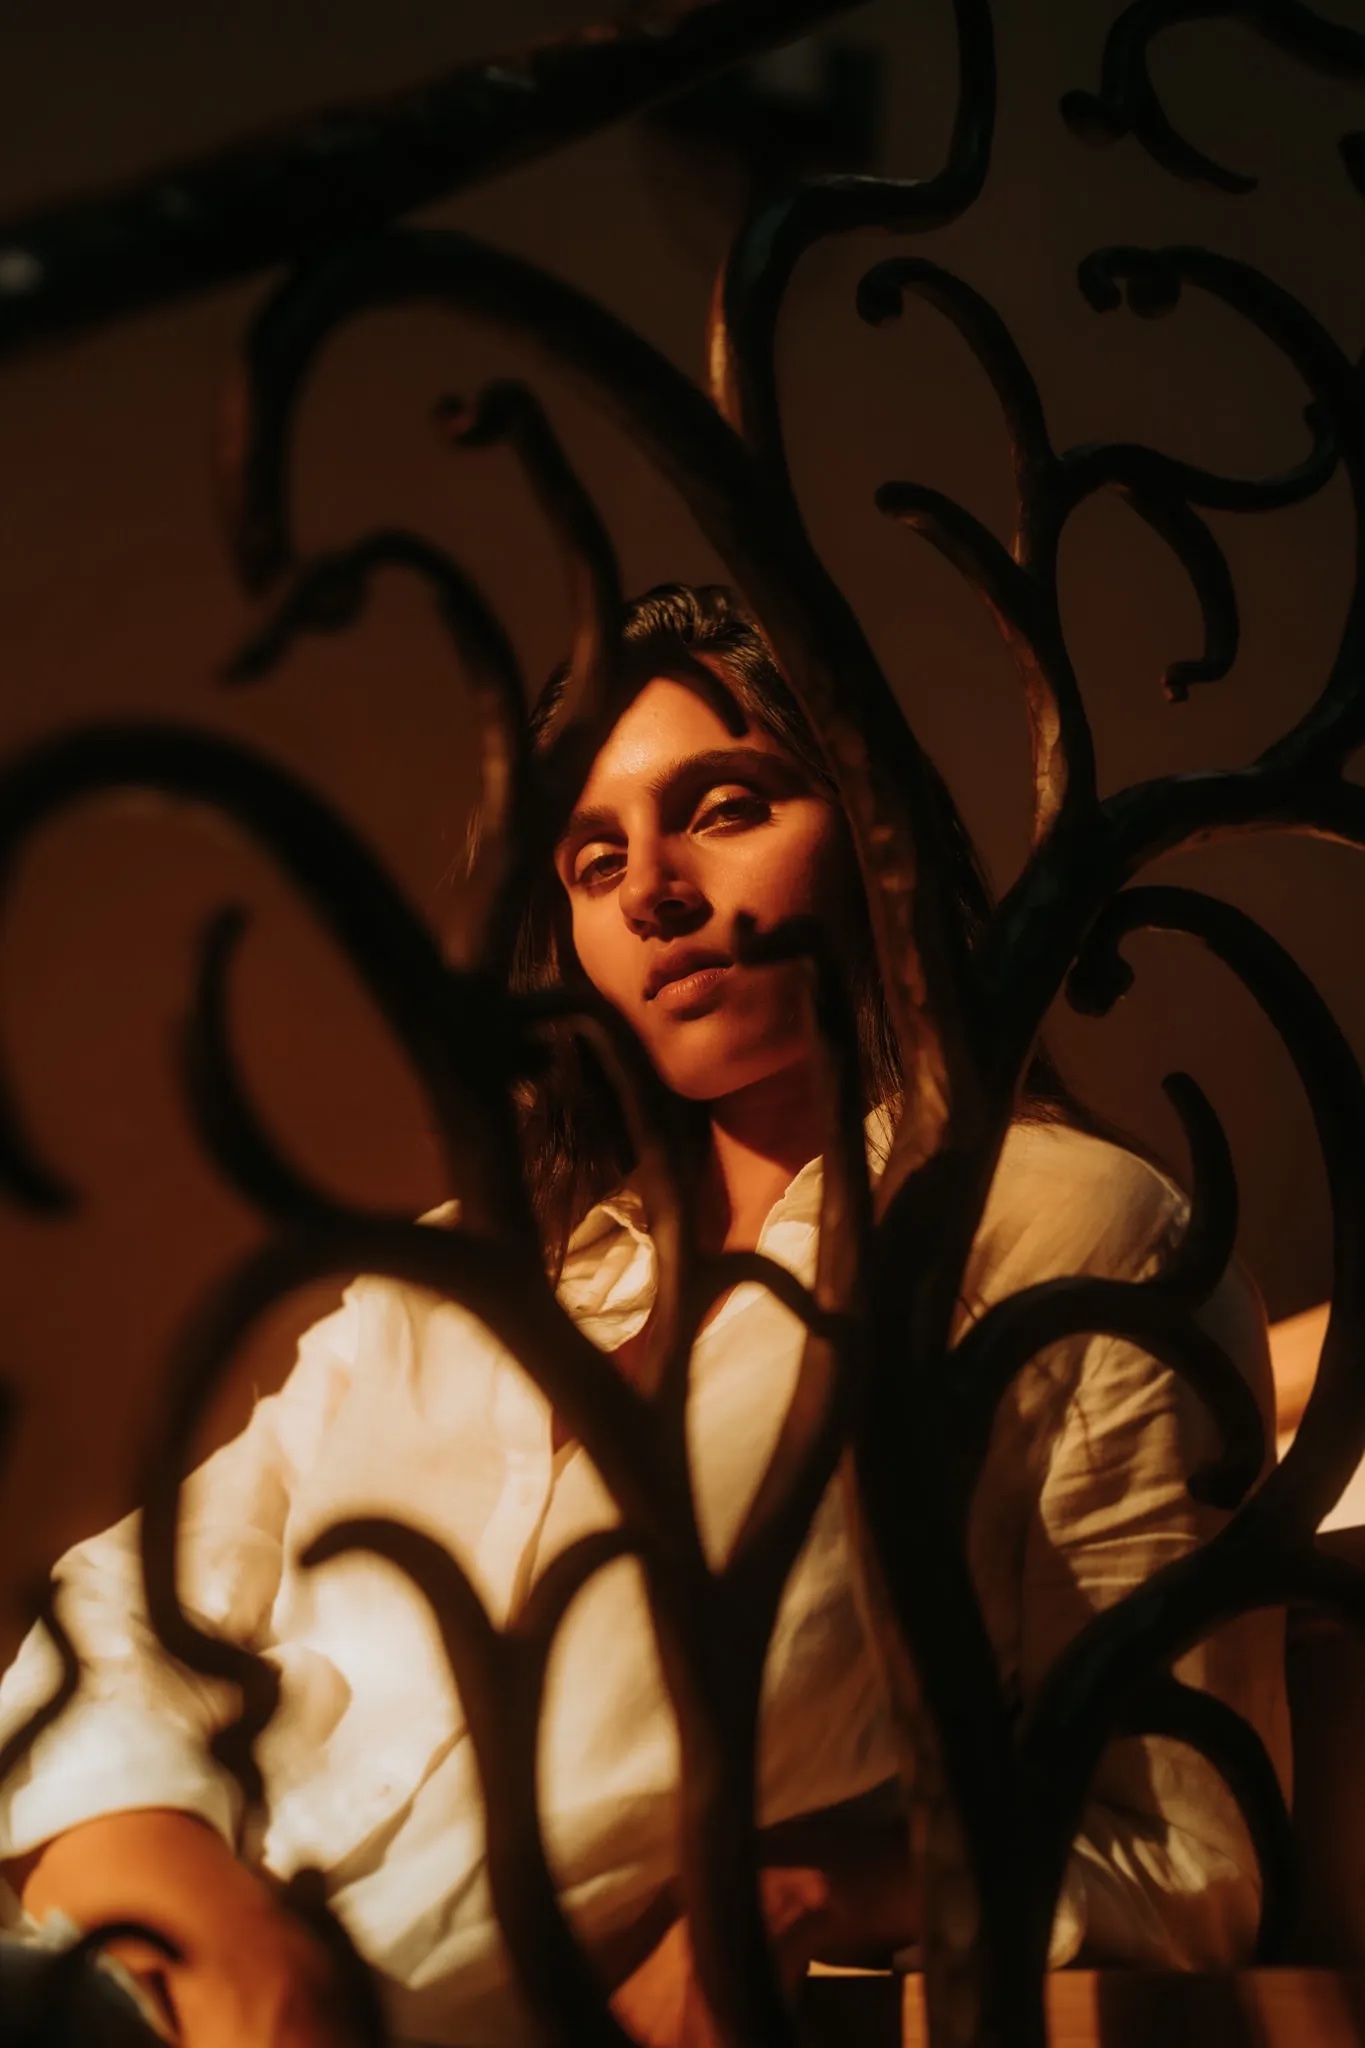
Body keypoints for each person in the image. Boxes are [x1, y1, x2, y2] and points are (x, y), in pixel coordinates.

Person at [0, 586, 1288, 2047]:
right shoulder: (458, 1277)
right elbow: (129, 1605)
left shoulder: (1058, 1232)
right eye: (590, 856)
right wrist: (206, 1925)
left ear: (873, 834)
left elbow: (1185, 1848)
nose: (648, 891)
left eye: (723, 807)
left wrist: (792, 1895)